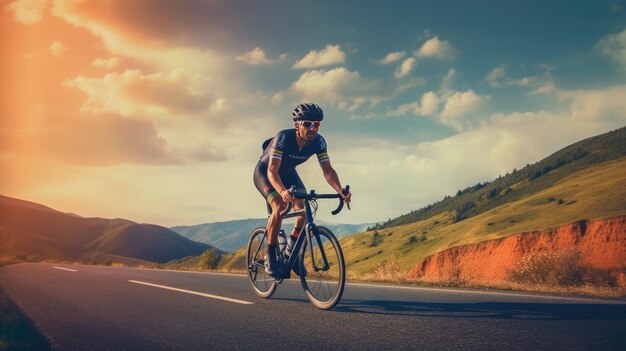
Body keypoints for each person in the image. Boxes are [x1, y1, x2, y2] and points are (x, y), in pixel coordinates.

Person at [253, 103, 352, 277]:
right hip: (265, 173)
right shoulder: (283, 138)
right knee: (280, 207)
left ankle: (291, 253)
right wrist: (282, 191)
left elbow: (328, 171)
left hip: (289, 174)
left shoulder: (319, 142)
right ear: (297, 124)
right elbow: (272, 170)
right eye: (307, 124)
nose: (312, 128)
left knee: (304, 211)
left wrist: (340, 190)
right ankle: (271, 255)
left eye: (317, 124)